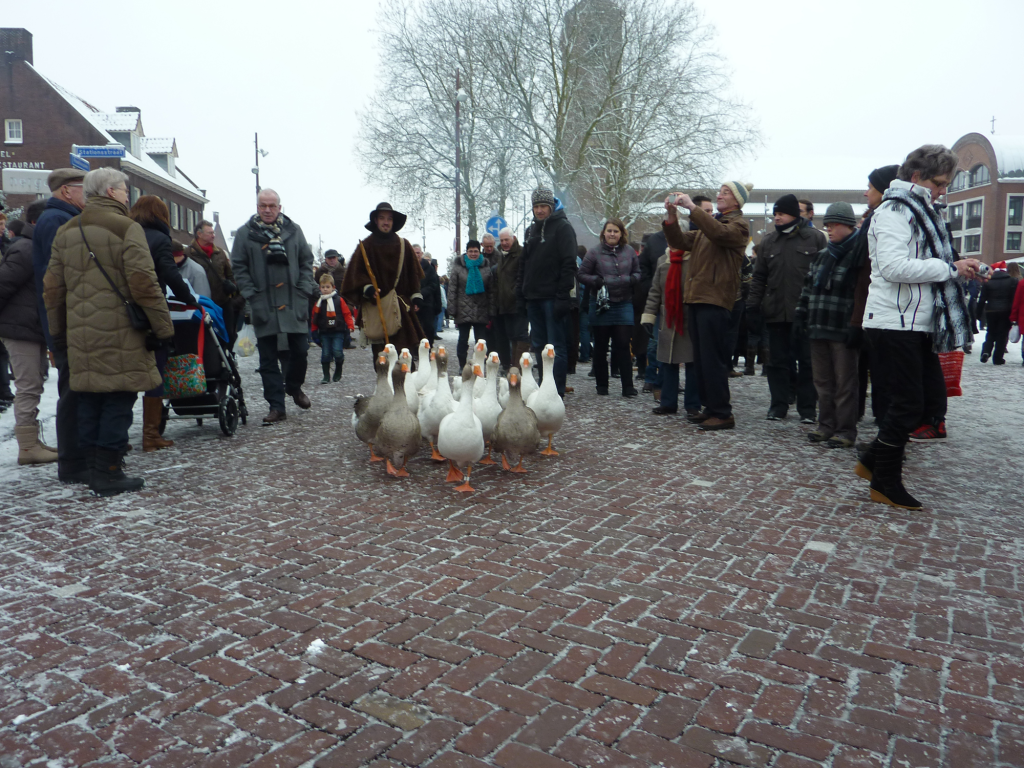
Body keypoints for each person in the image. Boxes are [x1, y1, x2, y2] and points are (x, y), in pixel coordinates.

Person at [858, 144, 983, 510]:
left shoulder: (921, 210)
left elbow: (925, 259)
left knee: (921, 402)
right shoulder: (897, 210)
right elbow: (895, 267)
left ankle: (872, 463)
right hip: (893, 322)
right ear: (916, 178)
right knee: (908, 405)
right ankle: (885, 480)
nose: (944, 190)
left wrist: (962, 263)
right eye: (940, 183)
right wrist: (950, 269)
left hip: (913, 322)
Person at [44, 168, 174, 495]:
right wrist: (162, 326)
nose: (127, 195)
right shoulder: (126, 228)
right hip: (121, 330)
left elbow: (53, 289)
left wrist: (58, 333)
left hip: (80, 332)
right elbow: (144, 284)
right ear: (111, 192)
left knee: (89, 397)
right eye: (124, 189)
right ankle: (110, 471)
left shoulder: (67, 230)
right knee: (119, 396)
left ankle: (90, 467)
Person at [663, 184, 752, 430]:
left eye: (726, 192)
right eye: (720, 191)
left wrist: (692, 208)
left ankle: (723, 412)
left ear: (737, 201)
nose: (720, 195)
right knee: (701, 359)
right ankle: (710, 407)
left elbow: (720, 234)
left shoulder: (739, 225)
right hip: (699, 297)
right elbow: (679, 241)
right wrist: (672, 217)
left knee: (713, 359)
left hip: (716, 298)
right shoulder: (710, 225)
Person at [231, 189, 316, 425]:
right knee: (267, 360)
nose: (267, 210)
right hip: (263, 304)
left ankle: (295, 387)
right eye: (262, 206)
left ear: (279, 207)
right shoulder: (245, 234)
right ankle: (276, 407)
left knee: (300, 351)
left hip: (293, 301)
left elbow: (306, 261)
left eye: (272, 205)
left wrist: (303, 288)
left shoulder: (293, 231)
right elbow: (238, 266)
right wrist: (250, 293)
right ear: (257, 207)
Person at [747, 193, 826, 422]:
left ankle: (807, 409)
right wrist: (753, 306)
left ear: (792, 214)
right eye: (775, 214)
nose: (776, 218)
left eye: (780, 214)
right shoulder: (769, 242)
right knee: (778, 362)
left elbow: (823, 276)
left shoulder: (815, 238)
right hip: (775, 313)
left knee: (808, 362)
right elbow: (759, 277)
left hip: (806, 313)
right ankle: (779, 405)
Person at [32, 168, 88, 484]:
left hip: (63, 319)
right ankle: (72, 461)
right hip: (64, 321)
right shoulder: (57, 222)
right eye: (84, 188)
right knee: (72, 391)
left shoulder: (57, 219)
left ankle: (76, 458)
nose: (88, 195)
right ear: (67, 190)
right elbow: (57, 279)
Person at [128, 196, 196, 452]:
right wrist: (190, 300)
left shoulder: (127, 234)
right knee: (155, 370)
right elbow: (170, 273)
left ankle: (119, 437)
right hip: (150, 311)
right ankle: (151, 435)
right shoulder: (160, 239)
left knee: (127, 374)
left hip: (125, 311)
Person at [795, 202, 864, 449]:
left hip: (843, 328)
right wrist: (800, 316)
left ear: (848, 225)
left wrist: (856, 325)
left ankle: (845, 429)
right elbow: (808, 289)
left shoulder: (860, 254)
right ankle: (826, 425)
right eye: (828, 225)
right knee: (822, 381)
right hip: (818, 325)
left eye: (834, 225)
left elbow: (861, 294)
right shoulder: (823, 255)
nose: (830, 230)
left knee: (845, 382)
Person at [0, 200, 57, 464]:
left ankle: (33, 442)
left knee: (33, 383)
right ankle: (27, 447)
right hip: (20, 328)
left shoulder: (34, 247)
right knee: (28, 385)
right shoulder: (26, 248)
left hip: (28, 327)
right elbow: (3, 284)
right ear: (37, 222)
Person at [341, 202, 425, 360]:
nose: (386, 222)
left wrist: (415, 294)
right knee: (382, 360)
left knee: (404, 357)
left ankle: (404, 385)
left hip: (401, 309)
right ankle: (384, 385)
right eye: (382, 218)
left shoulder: (404, 245)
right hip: (376, 309)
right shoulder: (365, 247)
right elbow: (354, 276)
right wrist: (367, 288)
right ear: (375, 220)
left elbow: (413, 274)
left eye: (389, 218)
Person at [850, 165, 900, 427]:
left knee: (885, 377)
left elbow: (873, 273)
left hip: (883, 312)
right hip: (867, 309)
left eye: (870, 187)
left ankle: (887, 436)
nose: (865, 193)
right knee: (869, 371)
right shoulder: (871, 219)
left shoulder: (887, 220)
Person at [516, 188, 578, 397]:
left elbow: (569, 264)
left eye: (543, 206)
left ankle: (555, 392)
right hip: (533, 297)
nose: (539, 210)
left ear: (551, 207)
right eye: (536, 207)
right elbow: (524, 263)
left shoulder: (563, 228)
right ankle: (544, 388)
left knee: (556, 347)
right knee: (539, 346)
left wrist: (563, 296)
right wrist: (521, 291)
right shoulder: (531, 230)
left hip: (553, 297)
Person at [578, 218, 640, 397]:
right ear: (604, 233)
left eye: (616, 231)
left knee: (622, 343)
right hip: (601, 304)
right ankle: (602, 384)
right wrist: (595, 281)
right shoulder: (594, 252)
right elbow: (581, 273)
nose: (612, 234)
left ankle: (627, 386)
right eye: (609, 231)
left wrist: (632, 279)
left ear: (622, 234)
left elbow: (637, 271)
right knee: (601, 345)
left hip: (623, 303)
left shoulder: (629, 252)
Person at [642, 238, 694, 415]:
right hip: (668, 317)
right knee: (667, 361)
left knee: (691, 362)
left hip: (689, 316)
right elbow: (655, 291)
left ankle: (693, 405)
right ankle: (668, 402)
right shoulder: (663, 260)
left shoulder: (694, 259)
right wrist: (648, 316)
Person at [190, 219, 243, 347]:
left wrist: (232, 286)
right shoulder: (189, 254)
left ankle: (228, 362)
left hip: (223, 303)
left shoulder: (220, 253)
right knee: (208, 337)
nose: (213, 235)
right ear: (199, 234)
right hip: (202, 303)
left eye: (213, 232)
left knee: (228, 335)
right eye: (209, 233)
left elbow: (230, 275)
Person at [447, 239, 494, 369]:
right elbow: (452, 289)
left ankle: (478, 365)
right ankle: (463, 366)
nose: (473, 253)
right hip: (463, 309)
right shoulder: (458, 267)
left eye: (476, 251)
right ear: (466, 252)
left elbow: (491, 290)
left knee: (480, 341)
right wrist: (452, 308)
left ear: (480, 252)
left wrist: (491, 309)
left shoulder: (485, 267)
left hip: (481, 309)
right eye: (470, 251)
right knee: (463, 340)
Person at [491, 228, 530, 372]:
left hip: (518, 302)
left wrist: (515, 294)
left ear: (513, 238)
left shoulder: (521, 253)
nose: (504, 243)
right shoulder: (501, 255)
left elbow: (523, 277)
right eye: (501, 240)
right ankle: (513, 366)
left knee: (520, 335)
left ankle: (519, 368)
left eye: (506, 240)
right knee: (511, 335)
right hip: (505, 304)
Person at [312, 274, 354, 383]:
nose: (325, 289)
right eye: (323, 287)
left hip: (338, 330)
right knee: (325, 354)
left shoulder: (339, 300)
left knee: (337, 352)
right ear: (319, 288)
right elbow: (314, 317)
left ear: (333, 287)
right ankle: (326, 376)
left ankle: (338, 369)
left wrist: (350, 326)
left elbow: (346, 314)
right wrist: (313, 330)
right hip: (324, 331)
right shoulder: (319, 302)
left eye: (327, 287)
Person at [977, 261, 1018, 364]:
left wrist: (978, 313)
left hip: (991, 310)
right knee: (1002, 335)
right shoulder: (1012, 281)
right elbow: (1014, 299)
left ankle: (986, 351)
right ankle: (998, 358)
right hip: (1006, 311)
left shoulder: (988, 282)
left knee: (990, 332)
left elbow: (982, 299)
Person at [414, 244, 441, 346]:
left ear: (421, 254)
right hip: (412, 303)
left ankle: (428, 348)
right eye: (415, 253)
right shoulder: (407, 267)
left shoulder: (430, 269)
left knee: (428, 328)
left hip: (427, 303)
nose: (417, 255)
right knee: (415, 328)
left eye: (418, 253)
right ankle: (415, 350)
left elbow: (433, 286)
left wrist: (420, 295)